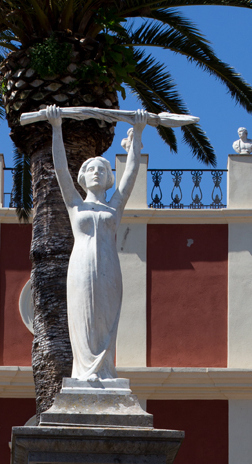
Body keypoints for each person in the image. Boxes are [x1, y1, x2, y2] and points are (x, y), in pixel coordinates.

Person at [46, 104, 148, 383]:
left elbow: (130, 177)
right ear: (82, 176)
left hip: (109, 271)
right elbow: (60, 169)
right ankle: (83, 374)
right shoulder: (75, 204)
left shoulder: (114, 206)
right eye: (90, 169)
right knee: (83, 320)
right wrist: (56, 128)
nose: (96, 172)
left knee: (105, 320)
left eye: (102, 169)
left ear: (108, 178)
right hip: (80, 269)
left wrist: (137, 134)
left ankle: (104, 372)